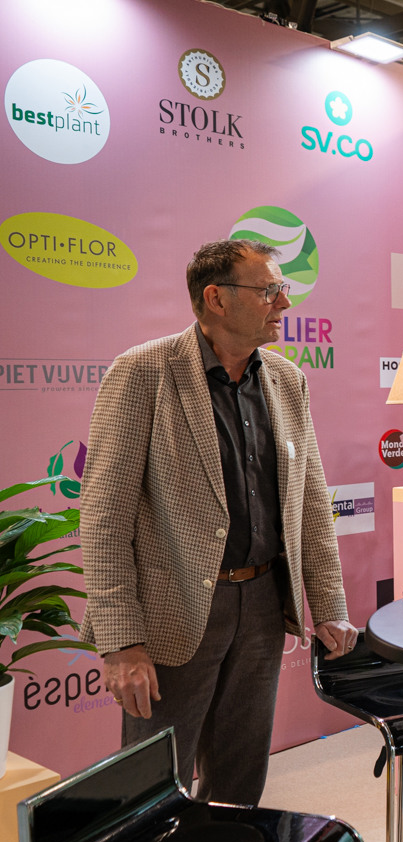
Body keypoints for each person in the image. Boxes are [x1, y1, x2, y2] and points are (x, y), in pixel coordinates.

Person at [80, 239, 358, 806]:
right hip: (174, 610)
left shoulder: (286, 379)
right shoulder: (143, 372)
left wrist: (329, 604)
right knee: (155, 790)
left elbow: (310, 501)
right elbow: (105, 517)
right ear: (217, 298)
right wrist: (122, 643)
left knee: (239, 780)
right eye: (270, 290)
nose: (284, 302)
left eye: (282, 289)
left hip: (262, 607)